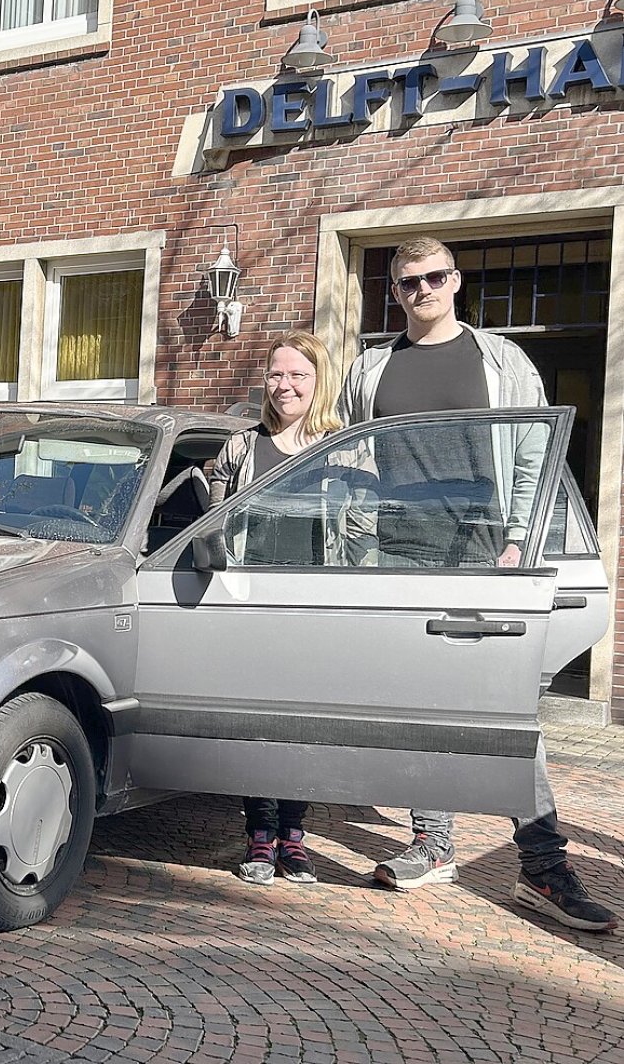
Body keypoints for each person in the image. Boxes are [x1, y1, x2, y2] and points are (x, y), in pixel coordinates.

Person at [337, 235, 616, 933]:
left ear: (456, 281)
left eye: (434, 278)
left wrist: (519, 543)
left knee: (508, 712)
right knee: (421, 708)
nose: (422, 290)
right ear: (394, 291)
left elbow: (534, 458)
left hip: (488, 557)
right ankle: (433, 842)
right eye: (408, 282)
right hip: (397, 558)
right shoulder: (372, 369)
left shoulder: (503, 362)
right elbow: (346, 460)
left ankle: (543, 867)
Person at [210, 330, 343, 885]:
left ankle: (295, 836)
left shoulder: (344, 446)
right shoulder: (243, 446)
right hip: (252, 606)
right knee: (258, 725)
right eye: (276, 374)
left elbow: (362, 529)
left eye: (298, 375)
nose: (285, 386)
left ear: (319, 382)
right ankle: (260, 837)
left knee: (304, 728)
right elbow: (213, 518)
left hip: (315, 608)